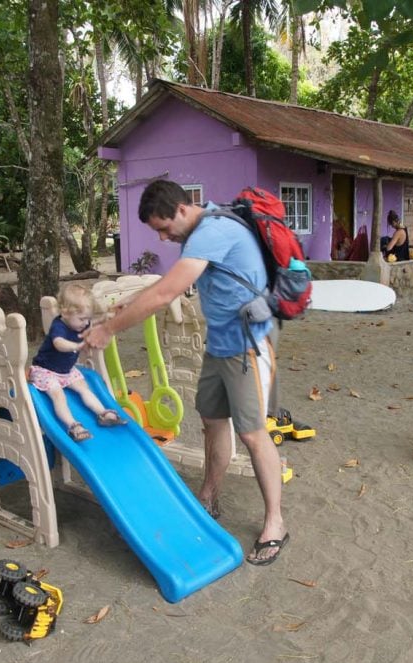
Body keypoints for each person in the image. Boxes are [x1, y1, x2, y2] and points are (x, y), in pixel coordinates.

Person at [82, 179, 289, 567]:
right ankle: (208, 496)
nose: (162, 238)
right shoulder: (197, 232)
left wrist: (108, 329)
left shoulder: (214, 230)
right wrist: (124, 300)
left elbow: (166, 293)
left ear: (181, 209)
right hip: (220, 344)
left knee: (252, 433)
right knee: (212, 420)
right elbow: (168, 283)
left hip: (249, 344)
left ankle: (275, 523)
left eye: (163, 227)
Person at [29, 283, 126, 443]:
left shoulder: (83, 322)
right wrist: (76, 346)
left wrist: (109, 317)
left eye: (87, 318)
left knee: (84, 389)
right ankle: (73, 425)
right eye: (81, 319)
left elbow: (95, 322)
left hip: (66, 370)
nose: (85, 323)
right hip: (45, 370)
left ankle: (103, 413)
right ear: (65, 313)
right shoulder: (58, 325)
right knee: (58, 395)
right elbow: (58, 343)